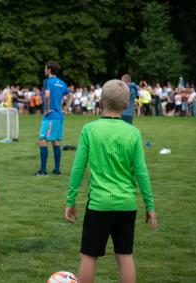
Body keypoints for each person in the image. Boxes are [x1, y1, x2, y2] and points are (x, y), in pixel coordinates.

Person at [65, 79, 158, 283]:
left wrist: (70, 200)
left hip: (99, 204)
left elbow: (78, 168)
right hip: (127, 204)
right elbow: (141, 173)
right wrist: (149, 205)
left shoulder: (90, 129)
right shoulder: (133, 133)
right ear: (127, 105)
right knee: (125, 256)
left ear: (100, 103)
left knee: (89, 256)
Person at [34, 61, 72, 176]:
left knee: (42, 140)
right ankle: (56, 170)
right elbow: (71, 96)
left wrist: (46, 109)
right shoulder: (62, 83)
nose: (44, 70)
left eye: (45, 69)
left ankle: (43, 171)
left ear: (50, 70)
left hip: (50, 116)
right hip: (59, 116)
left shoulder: (47, 82)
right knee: (55, 140)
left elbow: (46, 95)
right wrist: (65, 110)